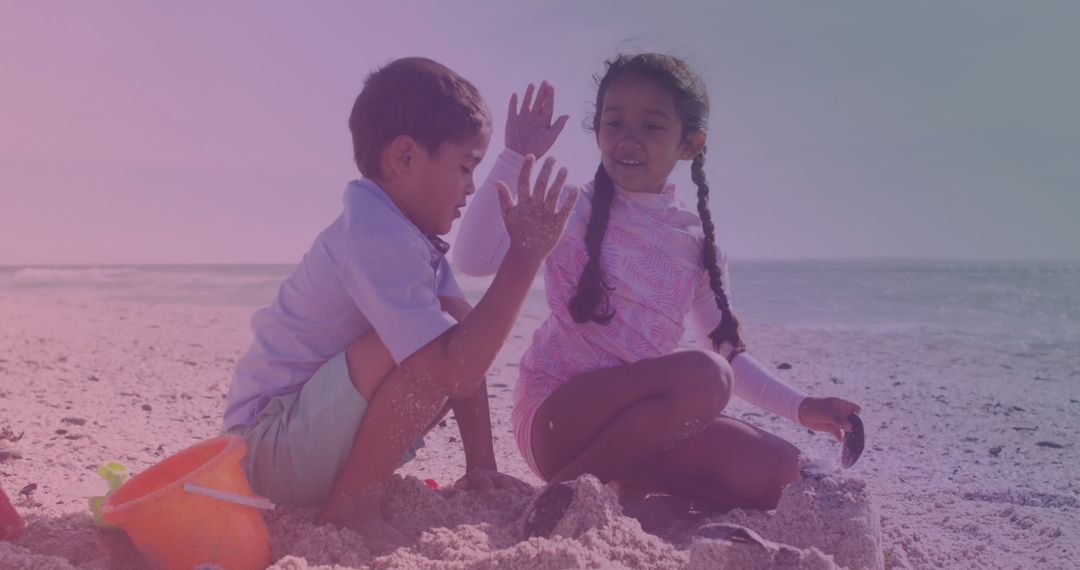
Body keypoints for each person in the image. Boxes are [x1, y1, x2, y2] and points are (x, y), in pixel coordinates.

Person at [454, 54, 861, 516]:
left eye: (651, 126)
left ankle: (633, 483)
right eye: (615, 123)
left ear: (690, 143)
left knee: (787, 476)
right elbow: (473, 259)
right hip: (556, 421)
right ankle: (566, 494)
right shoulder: (570, 209)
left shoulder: (696, 244)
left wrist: (803, 407)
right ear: (598, 131)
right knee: (707, 377)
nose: (629, 139)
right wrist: (514, 156)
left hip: (643, 429)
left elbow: (729, 352)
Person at [221, 57, 577, 551]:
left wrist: (481, 465)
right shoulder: (375, 234)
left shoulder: (409, 235)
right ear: (405, 158)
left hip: (300, 447)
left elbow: (465, 340)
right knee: (434, 352)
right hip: (266, 450)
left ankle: (354, 494)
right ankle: (351, 509)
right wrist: (523, 257)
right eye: (465, 167)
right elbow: (452, 366)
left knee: (451, 333)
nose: (471, 186)